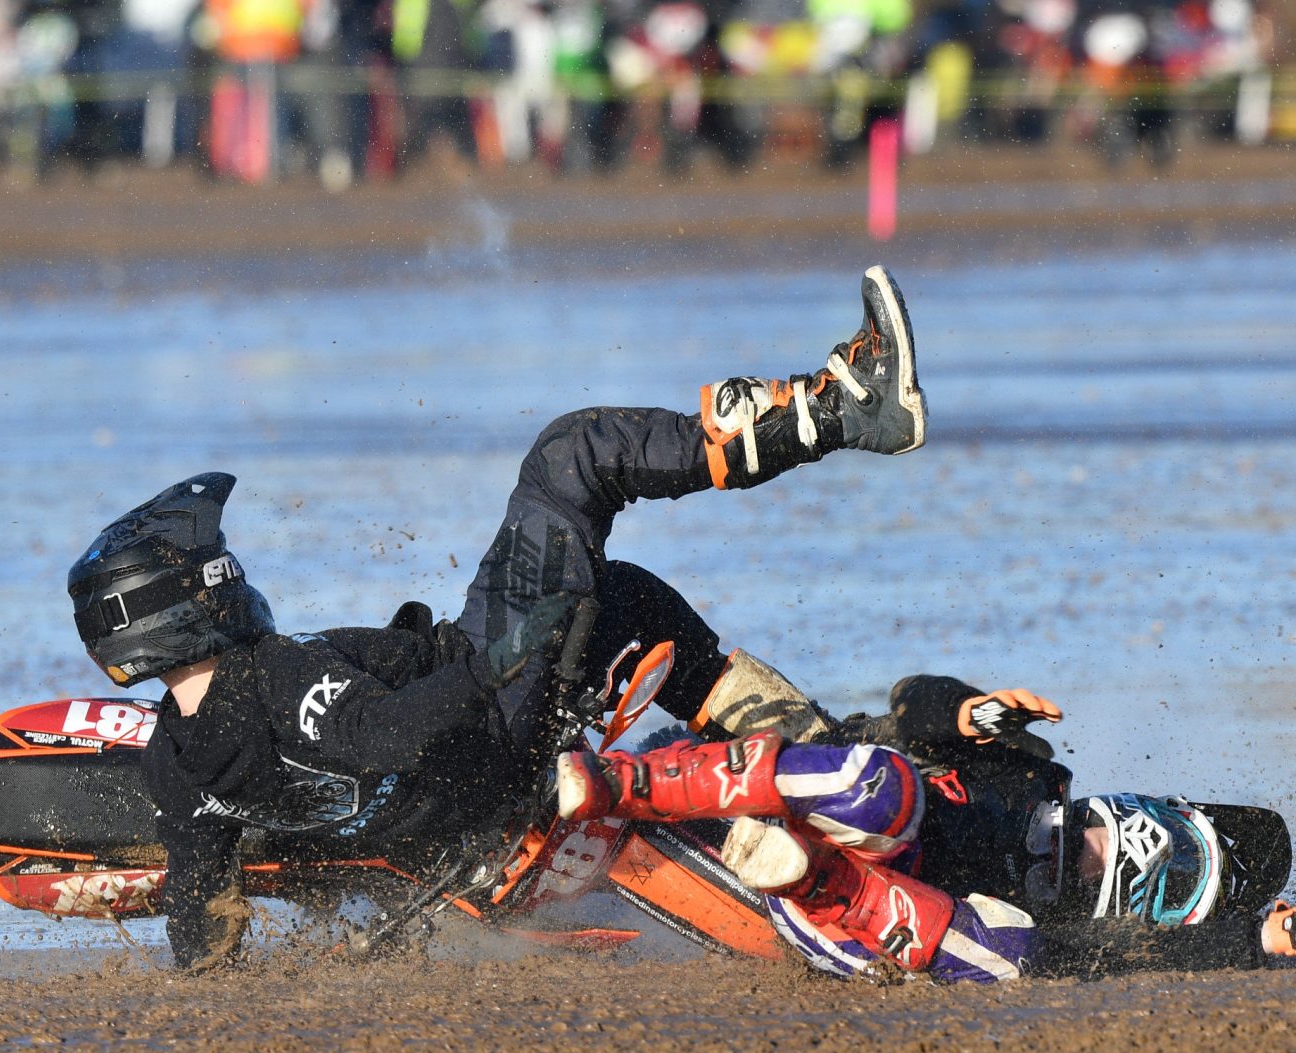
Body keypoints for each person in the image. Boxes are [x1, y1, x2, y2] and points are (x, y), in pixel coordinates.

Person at [67, 266, 929, 969]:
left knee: (618, 596)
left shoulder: (177, 764)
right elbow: (390, 735)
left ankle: (800, 755)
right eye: (220, 570)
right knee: (573, 458)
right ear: (188, 604)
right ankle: (848, 407)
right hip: (490, 719)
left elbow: (198, 924)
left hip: (470, 828)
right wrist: (501, 658)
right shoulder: (272, 681)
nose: (237, 579)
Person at [556, 668, 1296, 983]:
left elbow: (1121, 961)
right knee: (888, 788)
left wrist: (1255, 942)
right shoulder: (1028, 766)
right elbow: (910, 701)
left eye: (1162, 881)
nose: (1133, 848)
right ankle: (615, 775)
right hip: (800, 771)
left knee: (1015, 957)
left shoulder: (1056, 928)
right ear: (1158, 803)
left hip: (828, 910)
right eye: (1172, 833)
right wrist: (964, 712)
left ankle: (803, 871)